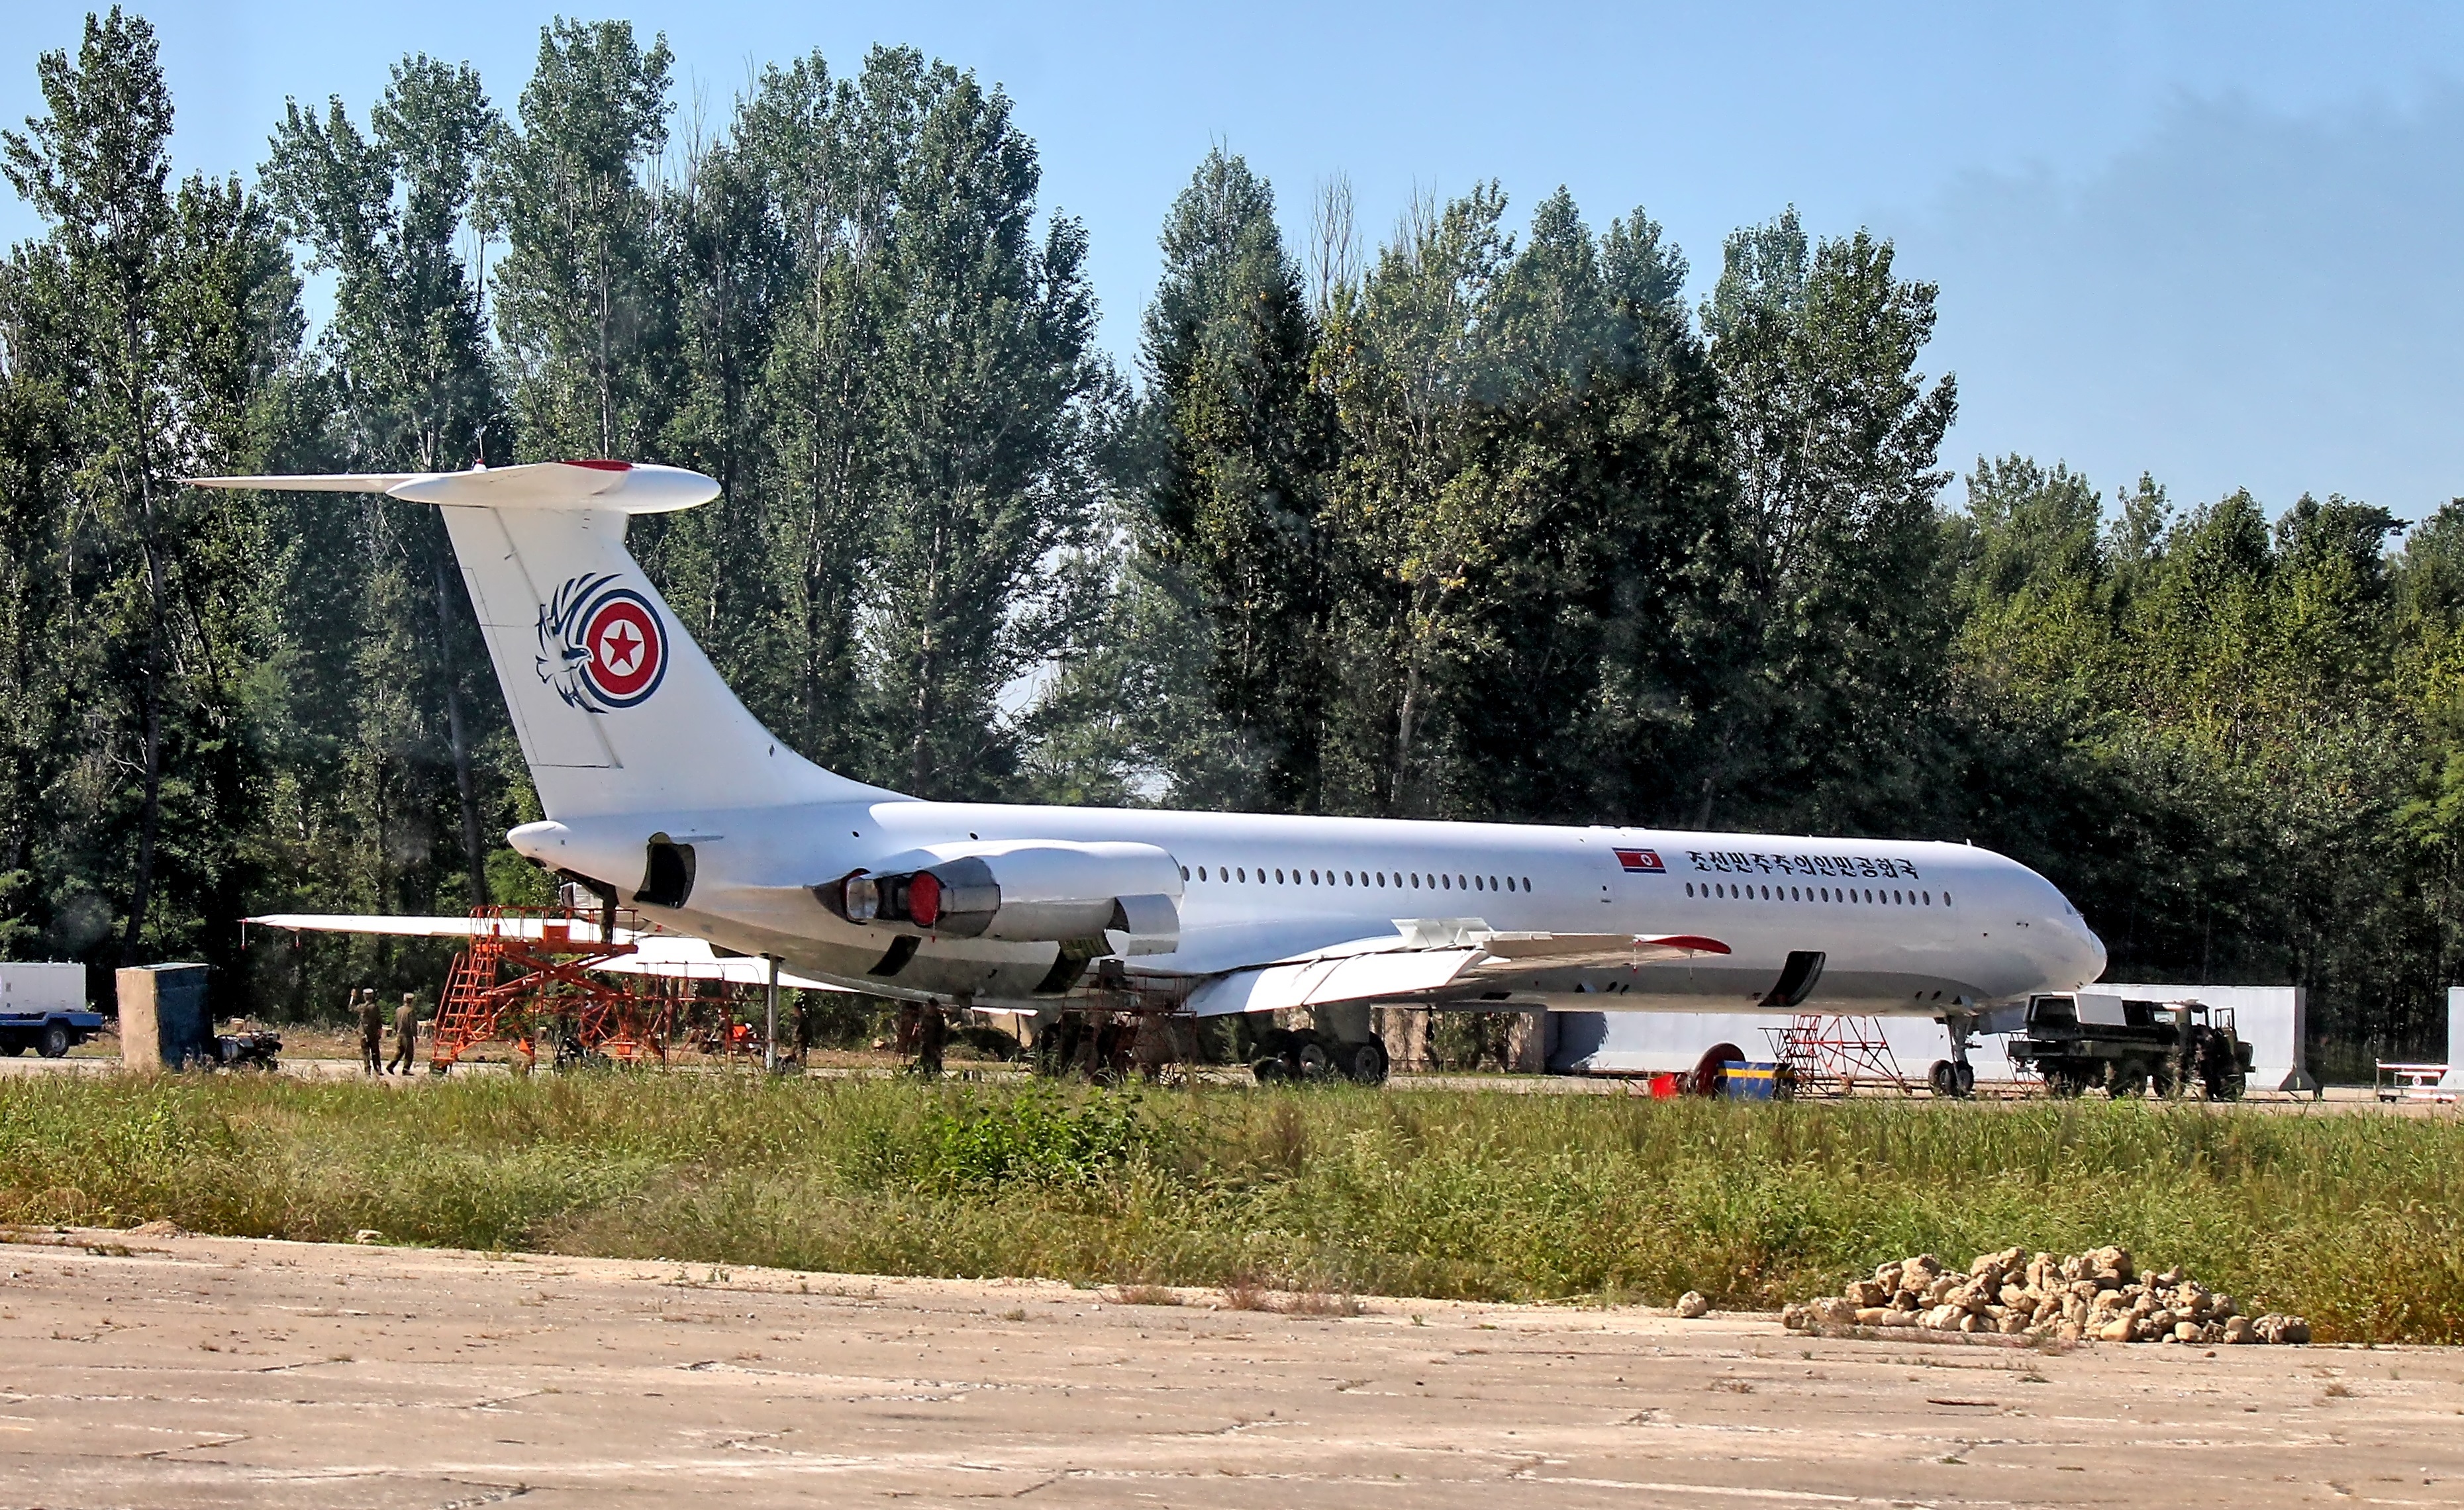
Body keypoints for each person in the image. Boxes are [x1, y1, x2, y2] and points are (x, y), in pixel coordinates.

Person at [387, 992, 419, 1075]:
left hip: (399, 1034)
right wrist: (415, 1035)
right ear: (412, 1001)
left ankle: (391, 1066)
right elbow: (413, 1024)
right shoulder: (411, 1011)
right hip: (407, 1036)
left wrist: (394, 1030)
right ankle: (406, 1069)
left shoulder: (399, 1010)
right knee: (409, 1053)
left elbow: (395, 1022)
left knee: (399, 1052)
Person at [355, 988, 383, 1075]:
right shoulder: (375, 1007)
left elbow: (351, 1007)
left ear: (364, 997)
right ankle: (378, 1069)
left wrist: (353, 997)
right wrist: (380, 1030)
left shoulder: (361, 1007)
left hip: (363, 1032)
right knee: (375, 1052)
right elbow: (379, 1020)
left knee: (365, 1052)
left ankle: (367, 1070)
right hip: (373, 1033)